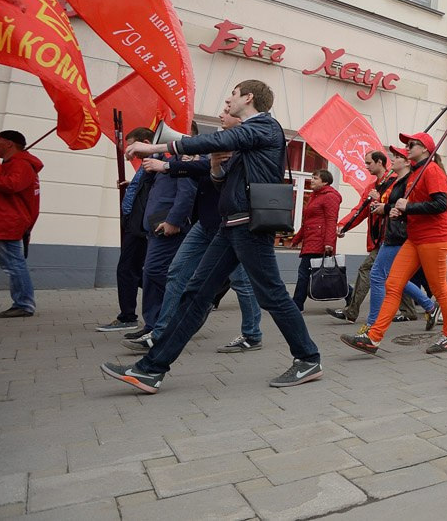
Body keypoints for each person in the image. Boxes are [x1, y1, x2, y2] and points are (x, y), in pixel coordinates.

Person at [101, 80, 322, 393]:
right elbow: (220, 180)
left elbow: (217, 140)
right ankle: (150, 370)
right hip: (230, 225)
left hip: (248, 226)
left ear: (248, 97)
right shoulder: (248, 138)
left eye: (232, 95)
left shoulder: (265, 127)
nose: (228, 102)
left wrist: (156, 148)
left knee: (271, 294)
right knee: (195, 295)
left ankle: (308, 358)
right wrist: (217, 167)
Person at [128, 108, 263, 353]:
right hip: (207, 223)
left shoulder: (238, 142)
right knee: (177, 272)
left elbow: (210, 171)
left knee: (242, 283)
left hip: (232, 224)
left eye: (228, 110)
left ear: (240, 118)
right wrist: (182, 164)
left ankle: (252, 334)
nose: (223, 113)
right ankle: (161, 332)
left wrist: (170, 165)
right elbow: (202, 172)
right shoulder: (215, 145)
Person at [340, 131, 447, 355]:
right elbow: (414, 206)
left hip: (434, 238)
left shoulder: (431, 170)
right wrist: (398, 212)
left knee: (439, 288)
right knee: (393, 284)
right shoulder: (414, 174)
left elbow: (440, 205)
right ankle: (373, 338)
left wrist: (407, 207)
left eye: (412, 144)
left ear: (424, 149)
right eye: (407, 144)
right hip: (414, 238)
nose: (407, 147)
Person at [349, 145, 438, 337]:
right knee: (394, 278)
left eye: (397, 156)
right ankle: (430, 306)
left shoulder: (409, 181)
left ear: (407, 161)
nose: (393, 159)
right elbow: (392, 206)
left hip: (400, 234)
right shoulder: (398, 181)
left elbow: (412, 206)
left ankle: (372, 327)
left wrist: (387, 207)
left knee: (377, 275)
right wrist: (382, 205)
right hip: (391, 233)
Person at [125, 124, 200, 345]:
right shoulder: (167, 160)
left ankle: (161, 324)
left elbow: (187, 192)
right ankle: (153, 324)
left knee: (156, 273)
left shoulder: (183, 159)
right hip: (156, 223)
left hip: (167, 225)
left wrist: (174, 221)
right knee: (153, 274)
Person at [328, 151, 396, 323]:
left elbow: (397, 207)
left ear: (380, 162)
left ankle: (353, 312)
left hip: (392, 237)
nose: (366, 167)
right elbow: (360, 210)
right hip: (380, 238)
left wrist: (379, 198)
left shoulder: (395, 183)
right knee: (393, 276)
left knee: (368, 270)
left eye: (368, 163)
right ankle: (421, 307)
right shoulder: (372, 187)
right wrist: (344, 225)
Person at [97, 127, 154, 332]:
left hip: (139, 225)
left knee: (128, 270)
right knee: (137, 271)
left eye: (132, 148)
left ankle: (128, 316)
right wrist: (132, 185)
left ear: (145, 143)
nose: (130, 154)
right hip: (135, 223)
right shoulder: (147, 164)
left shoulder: (153, 163)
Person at [0, 130, 42, 318]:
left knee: (14, 265)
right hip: (5, 221)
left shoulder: (21, 164)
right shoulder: (16, 163)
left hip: (8, 222)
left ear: (8, 144)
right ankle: (23, 302)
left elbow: (10, 185)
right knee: (14, 264)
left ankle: (24, 303)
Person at [290, 169, 342, 311]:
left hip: (320, 241)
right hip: (312, 239)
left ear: (325, 182)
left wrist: (329, 243)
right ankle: (350, 295)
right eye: (312, 177)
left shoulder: (330, 196)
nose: (311, 180)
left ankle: (296, 304)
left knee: (305, 273)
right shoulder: (316, 195)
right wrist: (297, 239)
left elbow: (332, 220)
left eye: (315, 178)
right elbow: (308, 221)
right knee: (320, 273)